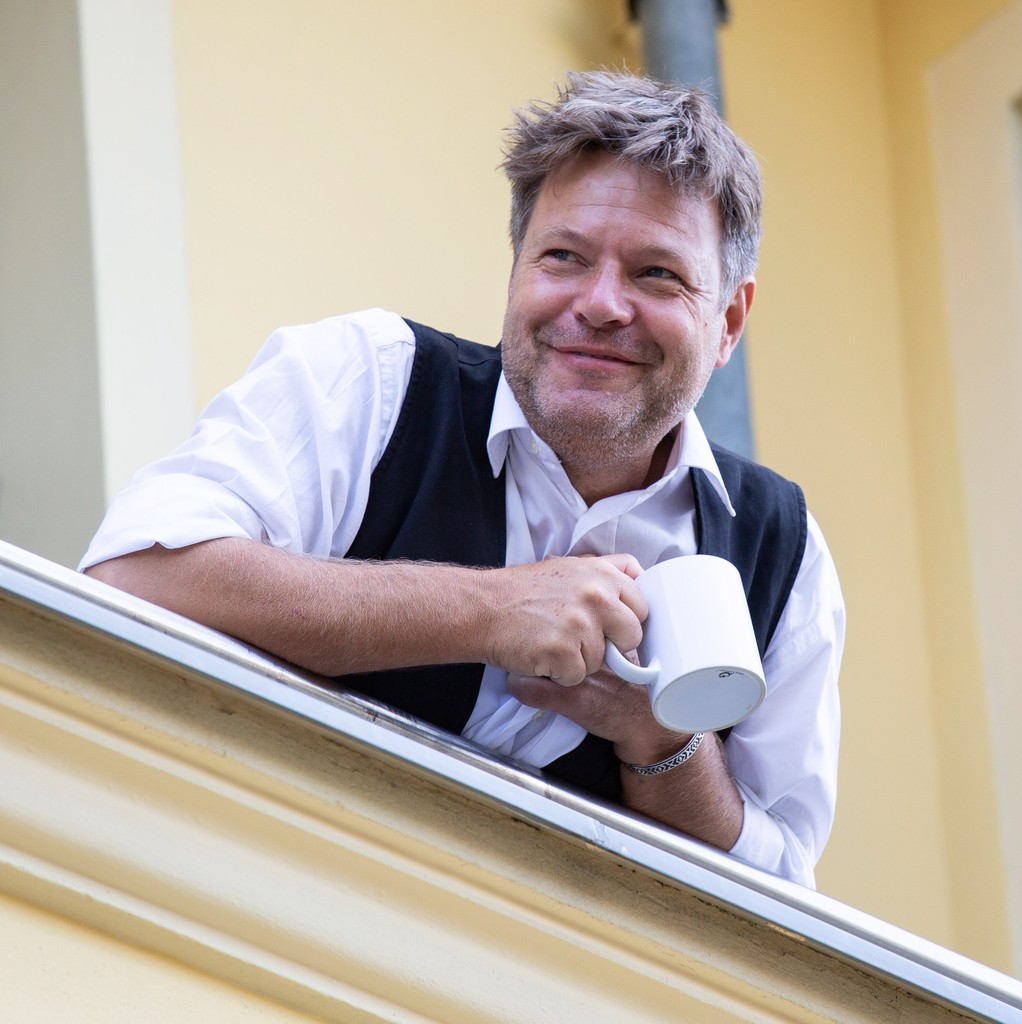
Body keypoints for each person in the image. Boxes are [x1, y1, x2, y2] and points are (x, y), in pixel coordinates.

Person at [79, 71, 842, 888]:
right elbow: (134, 577)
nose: (601, 303)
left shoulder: (784, 554)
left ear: (728, 322)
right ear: (517, 268)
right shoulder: (367, 380)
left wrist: (663, 745)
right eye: (563, 257)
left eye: (657, 274)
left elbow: (780, 887)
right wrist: (489, 610)